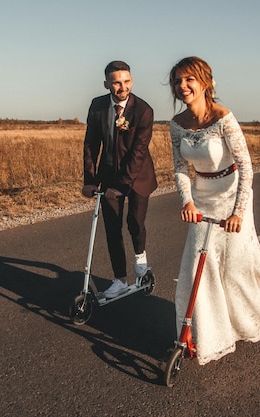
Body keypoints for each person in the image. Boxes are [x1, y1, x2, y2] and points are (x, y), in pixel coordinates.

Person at [168, 56, 260, 365]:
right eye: (178, 81)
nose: (183, 86)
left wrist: (238, 212)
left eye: (189, 80)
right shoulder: (177, 125)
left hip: (233, 196)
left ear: (205, 82)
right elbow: (181, 168)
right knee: (198, 268)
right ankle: (207, 337)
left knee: (235, 269)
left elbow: (247, 168)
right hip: (202, 198)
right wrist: (187, 201)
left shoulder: (223, 118)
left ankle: (252, 304)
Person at [82, 60, 158, 299]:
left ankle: (140, 260)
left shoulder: (143, 111)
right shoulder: (97, 106)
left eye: (126, 81)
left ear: (131, 81)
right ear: (107, 84)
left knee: (135, 222)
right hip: (108, 175)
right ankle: (119, 279)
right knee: (112, 228)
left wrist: (121, 186)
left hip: (138, 176)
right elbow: (91, 144)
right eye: (116, 82)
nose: (122, 87)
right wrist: (90, 180)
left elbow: (138, 153)